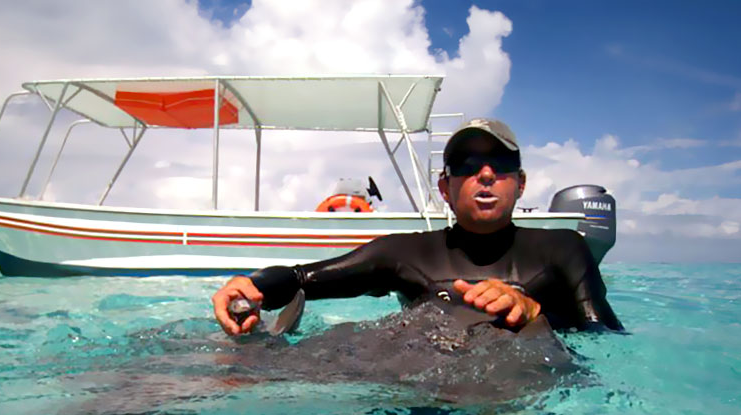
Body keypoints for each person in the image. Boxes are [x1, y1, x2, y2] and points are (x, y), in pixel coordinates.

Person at [212, 118, 622, 335]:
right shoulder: (404, 253)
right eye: (466, 166)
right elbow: (306, 279)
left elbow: (606, 337)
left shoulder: (564, 249)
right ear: (445, 187)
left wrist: (537, 315)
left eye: (499, 165)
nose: (484, 175)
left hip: (516, 404)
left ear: (521, 183)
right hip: (420, 395)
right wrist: (253, 286)